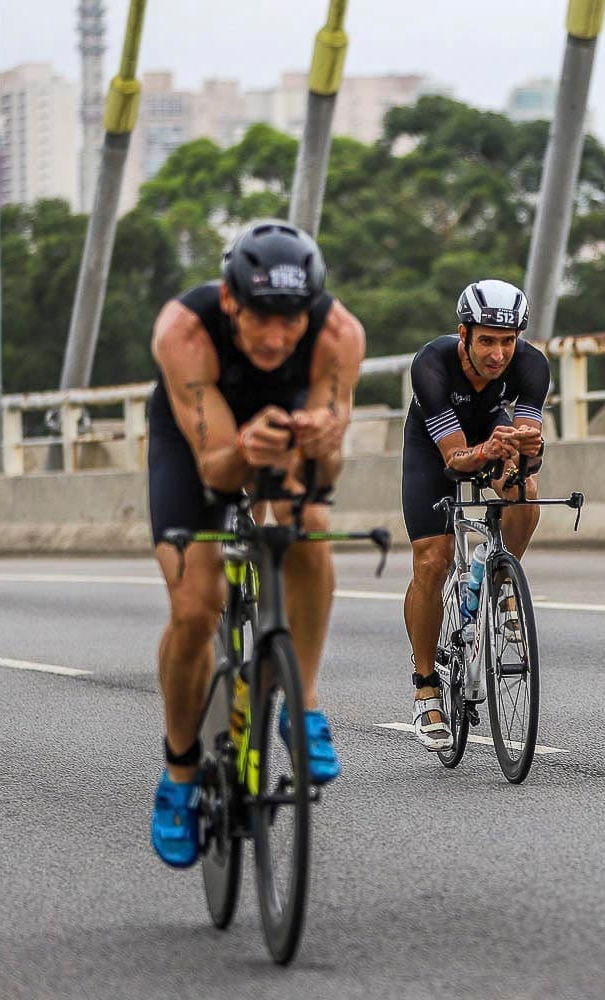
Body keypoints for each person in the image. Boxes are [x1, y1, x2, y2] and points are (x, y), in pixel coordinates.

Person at [145, 219, 366, 867]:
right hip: (199, 442)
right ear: (229, 300)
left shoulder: (339, 334)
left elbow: (327, 474)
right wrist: (244, 447)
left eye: (290, 321)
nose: (274, 338)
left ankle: (303, 703)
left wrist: (321, 443)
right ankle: (180, 772)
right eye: (260, 319)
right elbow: (216, 471)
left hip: (286, 423)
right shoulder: (184, 332)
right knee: (195, 608)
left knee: (310, 524)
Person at [402, 279, 548, 750]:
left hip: (490, 429)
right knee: (432, 560)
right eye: (486, 340)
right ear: (463, 334)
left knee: (525, 490)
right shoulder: (432, 364)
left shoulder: (531, 365)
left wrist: (527, 449)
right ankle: (426, 686)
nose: (497, 354)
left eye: (507, 341)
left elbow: (527, 448)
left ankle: (498, 573)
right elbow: (453, 460)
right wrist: (487, 450)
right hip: (434, 449)